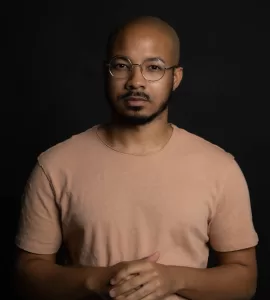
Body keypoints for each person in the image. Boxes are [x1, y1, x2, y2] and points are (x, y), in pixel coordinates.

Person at [14, 15, 259, 300]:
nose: (136, 81)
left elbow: (245, 280)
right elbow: (27, 275)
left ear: (175, 77)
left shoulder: (220, 168)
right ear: (106, 71)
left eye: (153, 67)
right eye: (122, 66)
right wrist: (98, 280)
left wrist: (172, 278)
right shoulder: (55, 165)